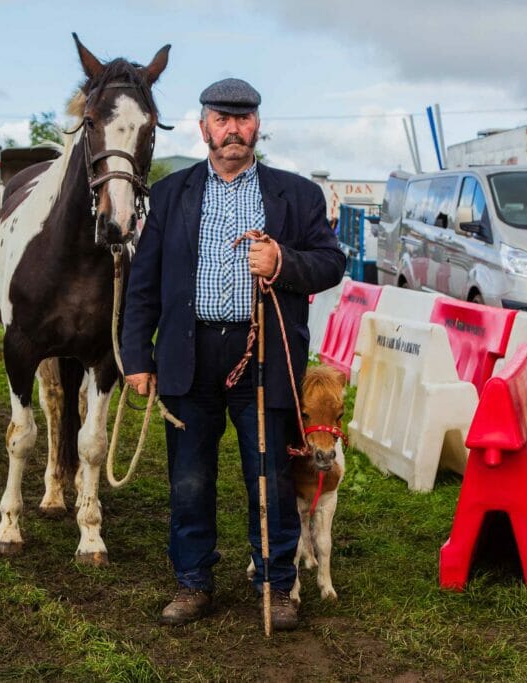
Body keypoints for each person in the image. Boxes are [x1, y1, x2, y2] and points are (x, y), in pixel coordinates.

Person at [121, 78, 345, 630]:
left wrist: (283, 262)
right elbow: (144, 282)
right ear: (203, 129)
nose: (233, 130)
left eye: (243, 120)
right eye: (221, 119)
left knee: (267, 473)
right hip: (188, 353)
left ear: (258, 128)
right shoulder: (170, 194)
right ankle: (193, 583)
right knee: (189, 480)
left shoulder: (297, 195)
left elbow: (330, 263)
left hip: (264, 357)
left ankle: (279, 585)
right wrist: (136, 356)